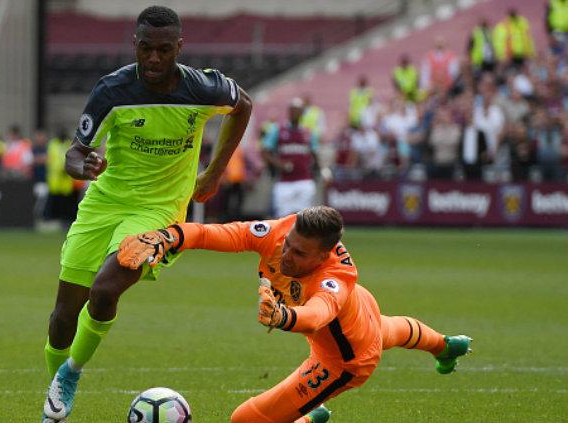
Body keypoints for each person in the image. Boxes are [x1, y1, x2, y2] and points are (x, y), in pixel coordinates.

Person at [41, 6, 252, 422]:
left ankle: (71, 374)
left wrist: (213, 172)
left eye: (163, 50)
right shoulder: (111, 91)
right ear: (134, 45)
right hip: (105, 203)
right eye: (146, 49)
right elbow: (74, 153)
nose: (154, 59)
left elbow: (243, 105)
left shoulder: (202, 88)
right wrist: (83, 166)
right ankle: (56, 398)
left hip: (158, 210)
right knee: (63, 319)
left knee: (105, 291)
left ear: (179, 47)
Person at [118, 206, 472, 423]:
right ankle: (445, 347)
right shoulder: (281, 233)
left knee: (246, 420)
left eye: (300, 254)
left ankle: (308, 416)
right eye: (289, 244)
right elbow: (218, 233)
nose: (286, 256)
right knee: (392, 329)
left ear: (324, 256)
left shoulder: (337, 278)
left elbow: (318, 314)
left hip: (344, 360)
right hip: (363, 312)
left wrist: (283, 317)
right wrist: (171, 236)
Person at [261, 98, 319, 217]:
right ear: (289, 112)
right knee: (282, 219)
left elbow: (315, 153)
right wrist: (279, 164)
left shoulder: (308, 132)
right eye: (293, 110)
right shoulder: (278, 130)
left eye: (298, 111)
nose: (295, 113)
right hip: (284, 182)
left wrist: (320, 170)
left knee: (304, 220)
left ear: (302, 113)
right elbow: (265, 151)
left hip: (305, 181)